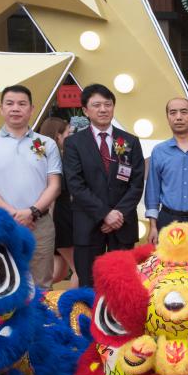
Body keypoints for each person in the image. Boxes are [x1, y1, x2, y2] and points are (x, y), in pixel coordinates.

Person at [0, 85, 62, 289]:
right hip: (2, 223)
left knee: (41, 284)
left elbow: (54, 186)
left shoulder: (47, 143)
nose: (15, 108)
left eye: (22, 104)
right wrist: (14, 215)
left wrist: (31, 212)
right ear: (1, 109)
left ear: (31, 109)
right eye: (10, 103)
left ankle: (40, 311)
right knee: (1, 281)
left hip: (40, 223)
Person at [62, 84, 146, 287]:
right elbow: (75, 185)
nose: (103, 109)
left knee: (122, 283)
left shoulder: (130, 141)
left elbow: (136, 183)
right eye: (96, 105)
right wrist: (104, 214)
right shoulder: (74, 143)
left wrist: (118, 214)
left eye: (108, 104)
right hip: (88, 224)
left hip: (122, 224)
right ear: (85, 110)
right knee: (89, 284)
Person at [145, 97, 188, 242]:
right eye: (173, 113)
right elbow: (153, 189)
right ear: (167, 118)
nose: (178, 117)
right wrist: (153, 226)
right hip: (169, 221)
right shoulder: (159, 151)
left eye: (184, 112)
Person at [37, 117, 77, 287]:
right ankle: (73, 304)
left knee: (57, 273)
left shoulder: (50, 159)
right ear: (58, 136)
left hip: (58, 219)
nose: (71, 137)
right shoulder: (55, 161)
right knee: (81, 270)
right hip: (61, 220)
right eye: (68, 133)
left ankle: (31, 295)